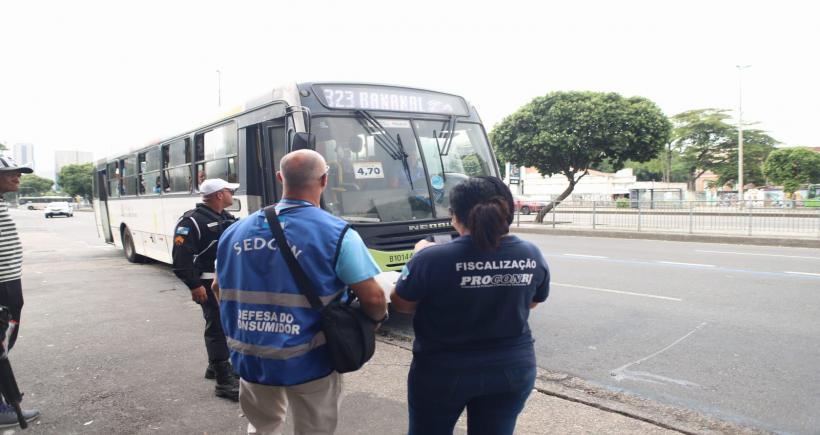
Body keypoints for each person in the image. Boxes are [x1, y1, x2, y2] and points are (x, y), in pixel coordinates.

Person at [214, 149, 388, 434]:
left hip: (251, 356)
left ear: (280, 178)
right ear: (325, 180)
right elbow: (374, 297)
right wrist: (376, 319)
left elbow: (217, 289)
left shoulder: (234, 232)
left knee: (262, 427)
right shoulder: (336, 233)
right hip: (311, 358)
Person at [391, 176, 550, 435]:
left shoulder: (431, 257)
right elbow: (531, 303)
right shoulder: (530, 253)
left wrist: (417, 257)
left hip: (443, 371)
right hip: (512, 369)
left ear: (455, 215)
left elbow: (401, 304)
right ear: (507, 212)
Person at [172, 178, 240, 401]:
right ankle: (223, 382)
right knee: (217, 327)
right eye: (229, 191)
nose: (232, 195)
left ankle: (215, 366)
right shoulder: (191, 221)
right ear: (219, 194)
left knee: (224, 324)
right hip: (206, 282)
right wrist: (194, 285)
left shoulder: (224, 217)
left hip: (224, 281)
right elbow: (181, 258)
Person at [0, 156, 40, 426]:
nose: (18, 177)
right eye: (10, 173)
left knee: (4, 345)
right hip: (2, 286)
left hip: (9, 283)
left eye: (18, 173)